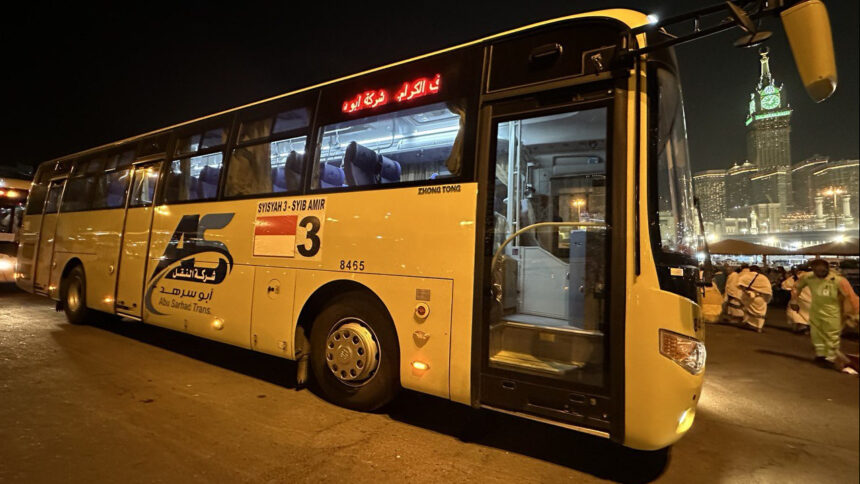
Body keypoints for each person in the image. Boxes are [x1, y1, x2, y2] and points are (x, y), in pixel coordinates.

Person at [791, 259, 860, 371]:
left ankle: (830, 358)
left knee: (831, 336)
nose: (820, 273)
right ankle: (821, 355)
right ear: (813, 270)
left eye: (822, 270)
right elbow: (797, 287)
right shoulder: (808, 277)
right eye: (817, 270)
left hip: (833, 314)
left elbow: (851, 297)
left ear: (827, 269)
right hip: (815, 311)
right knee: (816, 335)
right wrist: (794, 300)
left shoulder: (838, 280)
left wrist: (856, 312)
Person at [737, 265, 773, 332]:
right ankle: (759, 327)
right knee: (761, 313)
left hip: (750, 297)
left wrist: (746, 291)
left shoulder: (747, 276)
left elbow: (739, 284)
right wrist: (767, 299)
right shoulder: (764, 278)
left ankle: (748, 323)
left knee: (748, 311)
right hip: (761, 298)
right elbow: (769, 290)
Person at [783, 267, 811, 333]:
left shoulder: (796, 277)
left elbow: (785, 285)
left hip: (800, 299)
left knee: (794, 312)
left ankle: (802, 326)